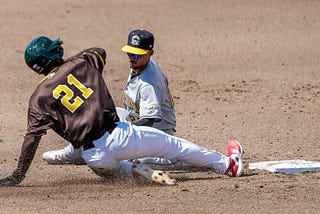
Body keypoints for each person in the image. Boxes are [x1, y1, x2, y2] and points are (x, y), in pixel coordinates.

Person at [0, 35, 243, 187]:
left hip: (94, 159)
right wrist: (70, 66)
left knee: (114, 171)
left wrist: (18, 175)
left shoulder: (37, 100)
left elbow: (31, 140)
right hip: (120, 138)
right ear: (54, 55)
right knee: (174, 145)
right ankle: (227, 165)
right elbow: (99, 51)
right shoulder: (81, 62)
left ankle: (139, 171)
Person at [42, 29, 181, 170]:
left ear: (150, 54)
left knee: (127, 160)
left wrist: (121, 137)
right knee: (94, 116)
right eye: (129, 52)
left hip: (156, 136)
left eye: (137, 54)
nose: (131, 57)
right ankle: (73, 153)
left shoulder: (149, 84)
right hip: (132, 118)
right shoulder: (141, 65)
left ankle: (177, 159)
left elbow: (149, 121)